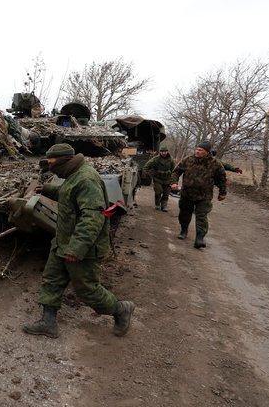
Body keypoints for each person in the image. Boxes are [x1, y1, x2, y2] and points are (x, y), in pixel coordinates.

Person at [23, 143, 135, 338]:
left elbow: (93, 217)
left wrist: (76, 248)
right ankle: (48, 323)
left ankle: (121, 309)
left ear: (64, 161)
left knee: (87, 289)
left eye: (52, 163)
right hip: (63, 241)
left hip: (83, 246)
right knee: (52, 279)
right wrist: (48, 189)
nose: (50, 167)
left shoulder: (86, 179)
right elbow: (69, 195)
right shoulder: (74, 174)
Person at [170, 141, 227, 249]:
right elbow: (176, 171)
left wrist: (222, 192)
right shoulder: (188, 160)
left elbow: (222, 179)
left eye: (200, 150)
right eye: (196, 149)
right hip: (187, 193)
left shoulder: (215, 163)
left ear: (207, 152)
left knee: (201, 216)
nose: (197, 151)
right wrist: (174, 182)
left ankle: (200, 238)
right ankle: (184, 230)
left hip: (204, 196)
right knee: (184, 214)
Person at [143, 144, 176, 211]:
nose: (164, 153)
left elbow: (174, 169)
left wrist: (172, 178)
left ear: (167, 152)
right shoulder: (155, 159)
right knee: (158, 192)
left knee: (166, 194)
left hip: (167, 179)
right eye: (162, 151)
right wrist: (150, 174)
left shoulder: (171, 160)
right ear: (160, 152)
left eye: (165, 151)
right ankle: (157, 204)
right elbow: (146, 167)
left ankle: (164, 206)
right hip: (158, 179)